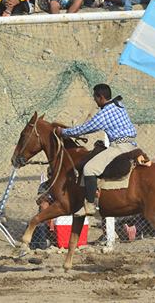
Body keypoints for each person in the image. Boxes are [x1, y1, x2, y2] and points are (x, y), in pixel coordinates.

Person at [60, 84, 138, 216]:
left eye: (95, 97)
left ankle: (89, 205)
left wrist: (64, 132)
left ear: (101, 97)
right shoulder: (119, 105)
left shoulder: (104, 114)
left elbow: (86, 129)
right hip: (132, 145)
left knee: (89, 169)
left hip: (119, 147)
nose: (95, 101)